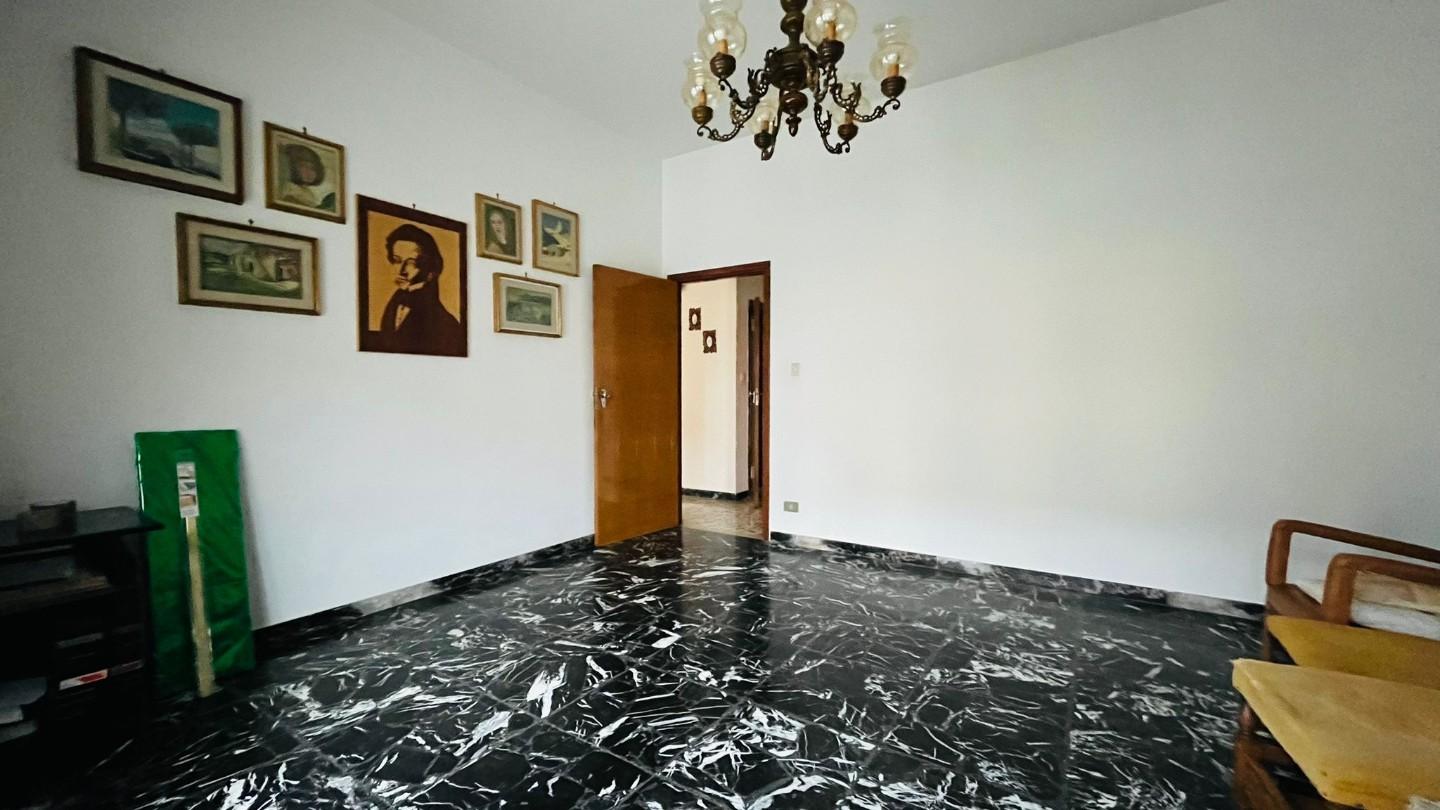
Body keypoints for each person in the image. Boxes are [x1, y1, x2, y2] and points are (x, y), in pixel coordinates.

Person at [376, 224, 464, 355]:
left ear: (429, 269)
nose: (401, 270)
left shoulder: (446, 323)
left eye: (411, 262)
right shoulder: (394, 304)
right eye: (397, 260)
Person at [277, 143, 335, 212]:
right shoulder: (290, 190)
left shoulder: (308, 192)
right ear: (292, 167)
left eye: (312, 168)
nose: (308, 172)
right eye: (302, 166)